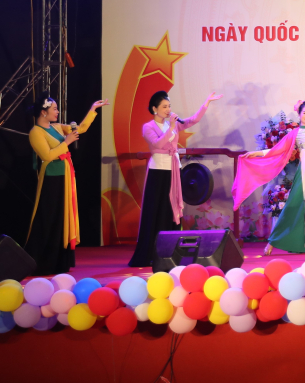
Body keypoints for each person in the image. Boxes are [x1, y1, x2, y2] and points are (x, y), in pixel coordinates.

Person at [128, 90, 222, 267]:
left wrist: (206, 103)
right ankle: (149, 253)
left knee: (171, 210)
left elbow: (192, 120)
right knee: (155, 210)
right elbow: (158, 143)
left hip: (174, 169)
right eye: (164, 107)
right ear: (154, 109)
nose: (168, 110)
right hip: (158, 170)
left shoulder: (173, 124)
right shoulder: (148, 127)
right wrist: (171, 127)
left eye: (169, 106)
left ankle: (170, 252)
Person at [25, 95, 109, 275]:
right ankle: (41, 260)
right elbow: (47, 155)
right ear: (43, 112)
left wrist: (93, 109)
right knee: (49, 217)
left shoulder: (56, 127)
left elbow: (81, 128)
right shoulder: (36, 132)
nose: (57, 111)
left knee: (63, 217)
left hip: (65, 176)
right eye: (54, 109)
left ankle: (59, 261)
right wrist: (67, 142)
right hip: (51, 178)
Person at [242, 101, 305, 254]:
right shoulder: (295, 133)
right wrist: (257, 153)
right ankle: (272, 242)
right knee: (292, 207)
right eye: (304, 113)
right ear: (299, 115)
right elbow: (277, 149)